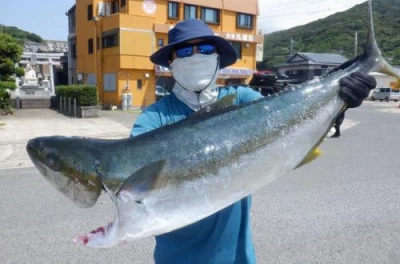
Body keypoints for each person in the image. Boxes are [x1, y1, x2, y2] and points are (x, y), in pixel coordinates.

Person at [130, 19, 376, 264]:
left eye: (205, 50)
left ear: (216, 58)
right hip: (176, 258)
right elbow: (134, 173)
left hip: (237, 257)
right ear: (171, 63)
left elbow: (287, 114)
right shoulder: (154, 117)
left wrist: (337, 97)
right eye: (185, 51)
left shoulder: (241, 99)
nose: (196, 57)